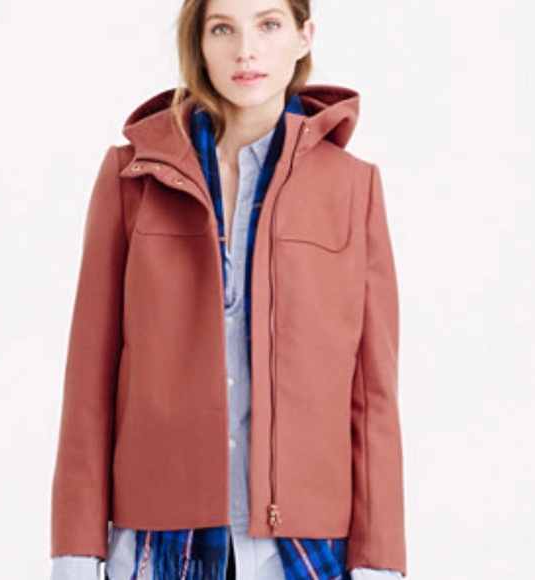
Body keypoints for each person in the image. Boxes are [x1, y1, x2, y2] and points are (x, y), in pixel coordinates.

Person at [50, 0, 407, 578]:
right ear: (199, 42)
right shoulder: (131, 178)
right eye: (223, 29)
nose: (246, 50)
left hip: (305, 549)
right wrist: (75, 550)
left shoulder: (353, 187)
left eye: (269, 25)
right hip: (157, 541)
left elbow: (373, 393)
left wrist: (379, 560)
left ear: (304, 36)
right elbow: (89, 379)